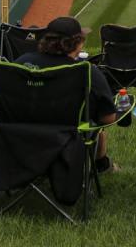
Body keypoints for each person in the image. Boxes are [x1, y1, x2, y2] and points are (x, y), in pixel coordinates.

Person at [16, 16, 119, 173]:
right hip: (68, 141)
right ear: (77, 43)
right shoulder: (88, 71)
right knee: (97, 124)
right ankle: (102, 165)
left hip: (21, 138)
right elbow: (108, 118)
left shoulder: (22, 62)